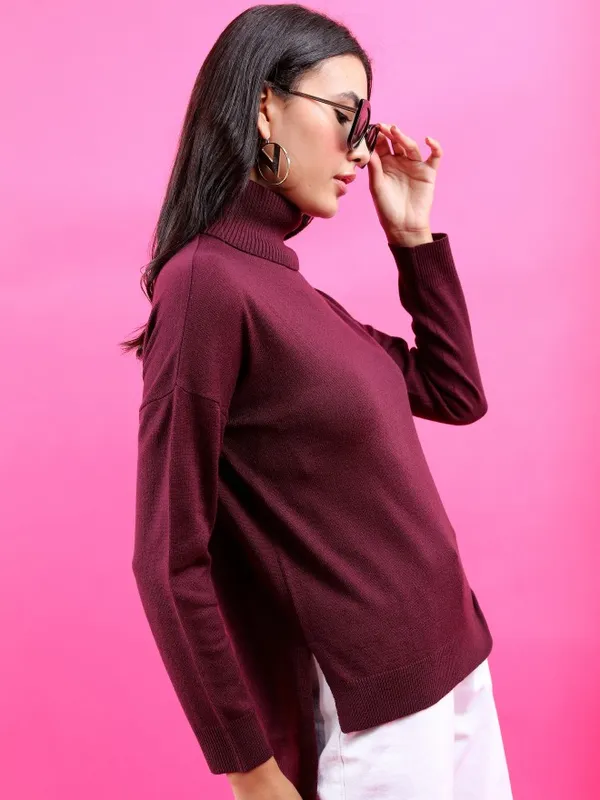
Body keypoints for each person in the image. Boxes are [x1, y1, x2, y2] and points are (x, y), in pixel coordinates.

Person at [120, 4, 514, 799]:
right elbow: (167, 558)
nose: (360, 150)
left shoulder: (294, 292)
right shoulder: (204, 285)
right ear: (265, 105)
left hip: (458, 678)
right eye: (345, 117)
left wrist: (413, 238)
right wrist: (250, 770)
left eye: (363, 125)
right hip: (380, 717)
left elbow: (456, 391)